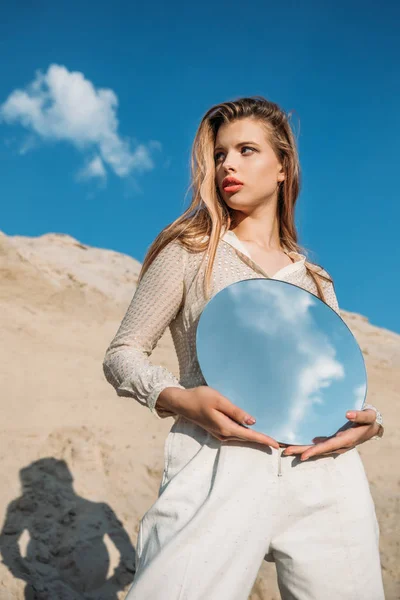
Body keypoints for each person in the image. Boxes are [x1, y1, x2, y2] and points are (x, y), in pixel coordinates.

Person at [102, 96, 385, 600]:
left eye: (247, 150)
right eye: (219, 154)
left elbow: (336, 380)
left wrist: (367, 425)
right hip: (218, 460)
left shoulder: (317, 281)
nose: (227, 164)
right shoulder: (189, 251)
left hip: (324, 471)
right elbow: (122, 353)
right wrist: (179, 398)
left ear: (283, 167)